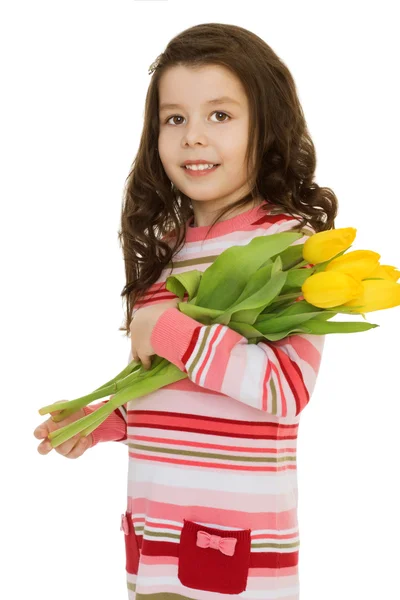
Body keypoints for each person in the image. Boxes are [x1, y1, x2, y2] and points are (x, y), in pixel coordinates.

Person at [34, 22, 338, 600]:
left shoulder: (289, 245)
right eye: (175, 118)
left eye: (220, 116)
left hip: (235, 549)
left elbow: (286, 389)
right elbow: (172, 388)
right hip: (154, 535)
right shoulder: (167, 246)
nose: (193, 137)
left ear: (267, 128)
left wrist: (170, 328)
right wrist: (111, 421)